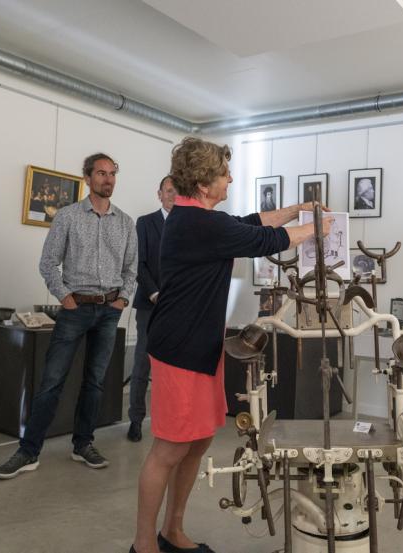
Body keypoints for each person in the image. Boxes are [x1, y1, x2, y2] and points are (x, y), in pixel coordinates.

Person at [130, 137, 330, 553]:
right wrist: (317, 230)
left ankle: (172, 530)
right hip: (179, 350)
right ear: (204, 185)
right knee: (168, 448)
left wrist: (296, 210)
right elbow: (265, 240)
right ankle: (144, 544)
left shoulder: (199, 219)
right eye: (223, 173)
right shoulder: (199, 224)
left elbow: (251, 222)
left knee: (198, 441)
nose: (230, 178)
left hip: (200, 347)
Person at [0, 152, 137, 479]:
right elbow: (48, 263)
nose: (108, 179)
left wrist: (122, 300)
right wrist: (66, 298)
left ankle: (83, 444)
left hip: (109, 311)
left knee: (95, 382)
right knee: (51, 382)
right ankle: (29, 452)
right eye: (101, 173)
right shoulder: (68, 217)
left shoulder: (126, 222)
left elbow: (131, 270)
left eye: (112, 173)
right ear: (87, 178)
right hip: (76, 309)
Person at [127, 175, 177, 442]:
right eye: (168, 191)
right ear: (159, 194)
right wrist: (155, 293)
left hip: (178, 307)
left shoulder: (187, 224)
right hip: (150, 303)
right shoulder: (145, 223)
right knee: (142, 364)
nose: (172, 195)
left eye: (176, 191)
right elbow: (139, 264)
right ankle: (135, 420)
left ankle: (167, 421)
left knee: (171, 368)